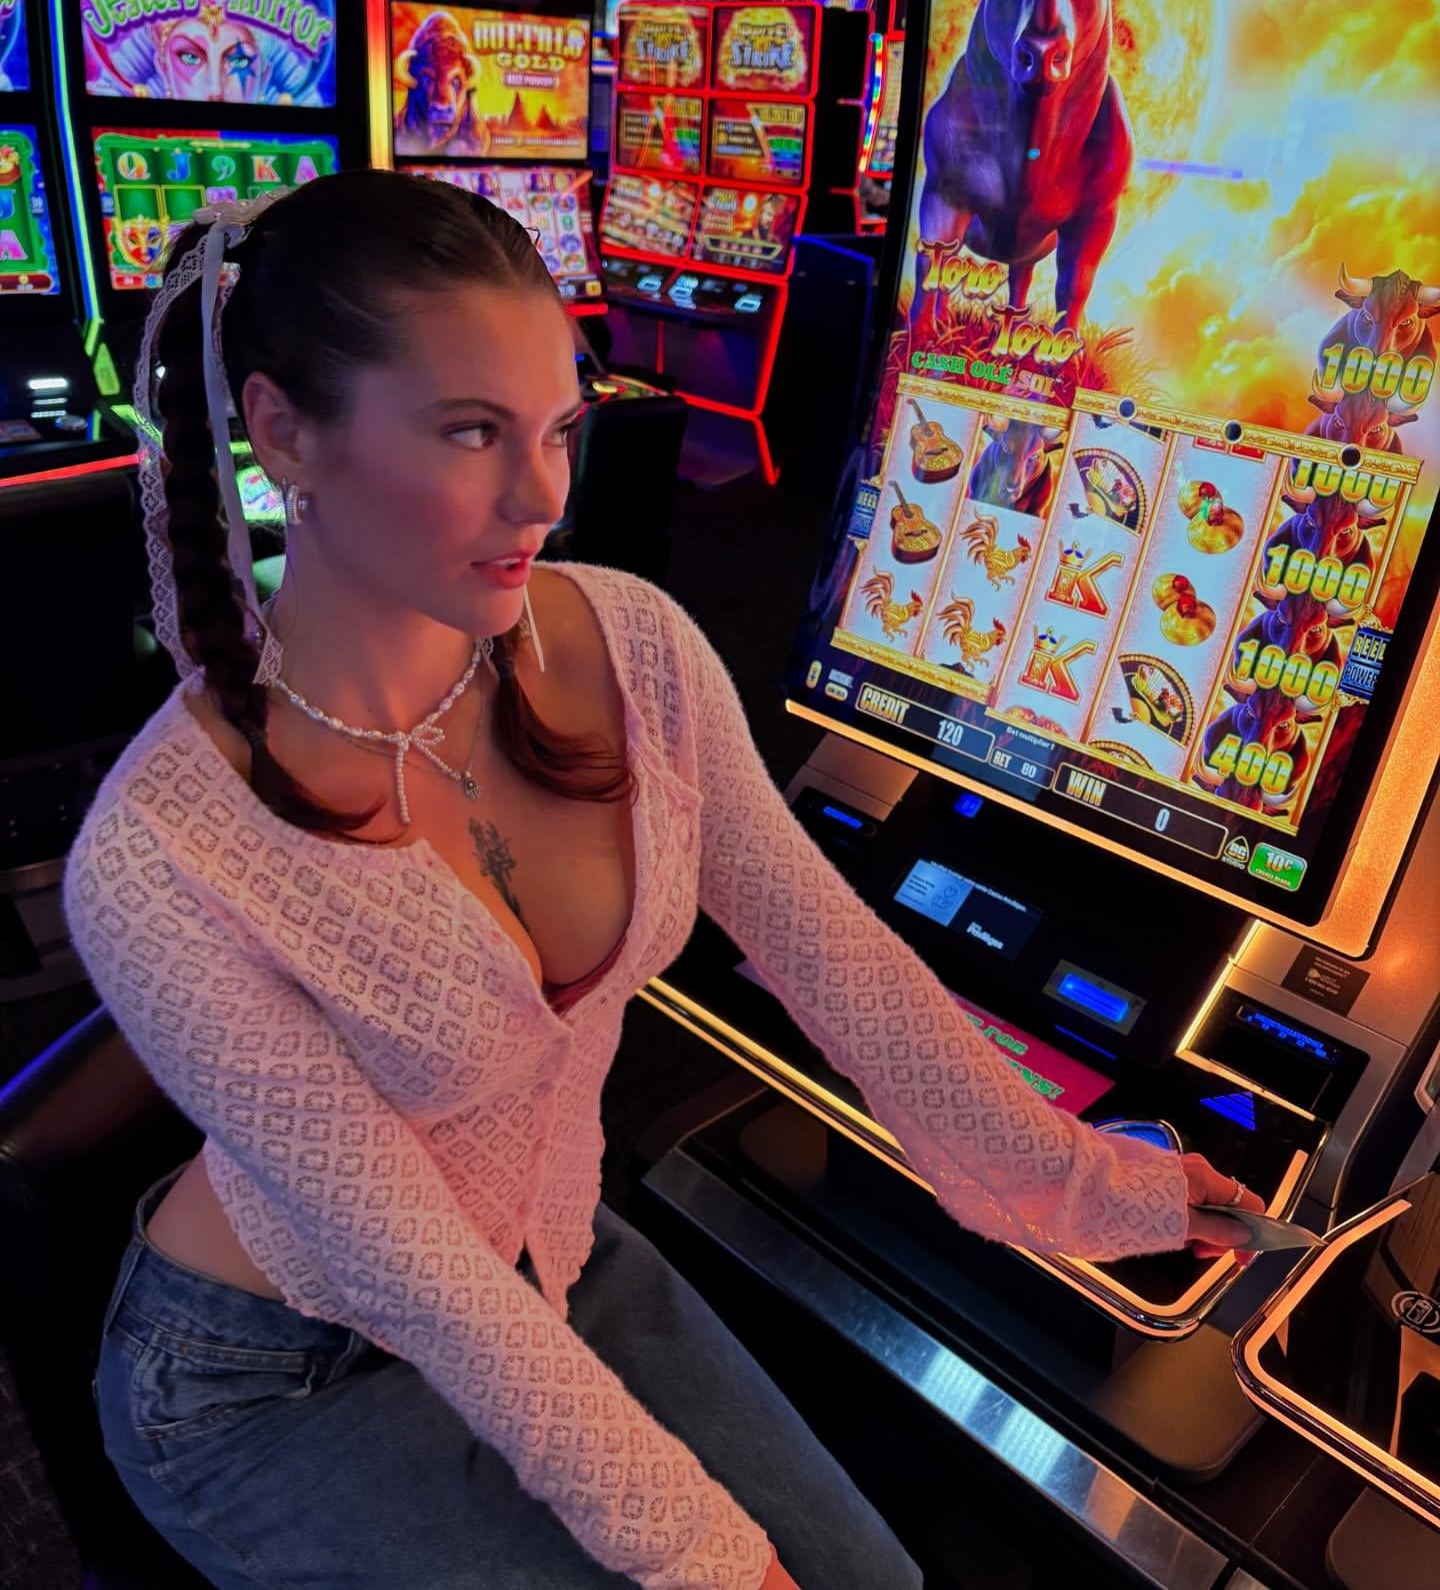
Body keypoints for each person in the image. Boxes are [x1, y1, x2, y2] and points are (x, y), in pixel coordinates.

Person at [64, 170, 1261, 1590]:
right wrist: (700, 1558)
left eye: (561, 429)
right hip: (272, 1373)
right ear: (282, 432)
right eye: (471, 432)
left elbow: (836, 955)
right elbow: (414, 1275)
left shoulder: (629, 644)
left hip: (549, 1253)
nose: (545, 495)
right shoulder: (155, 855)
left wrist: (1082, 1186)